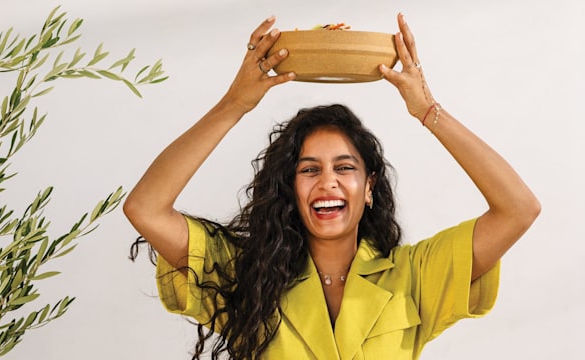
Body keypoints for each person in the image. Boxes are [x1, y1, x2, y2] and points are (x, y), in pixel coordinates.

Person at [124, 13, 540, 360]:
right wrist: (234, 104)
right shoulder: (246, 276)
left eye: (345, 168)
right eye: (308, 170)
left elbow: (519, 209)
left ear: (370, 186)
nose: (327, 183)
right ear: (289, 187)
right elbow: (147, 209)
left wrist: (429, 111)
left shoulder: (413, 276)